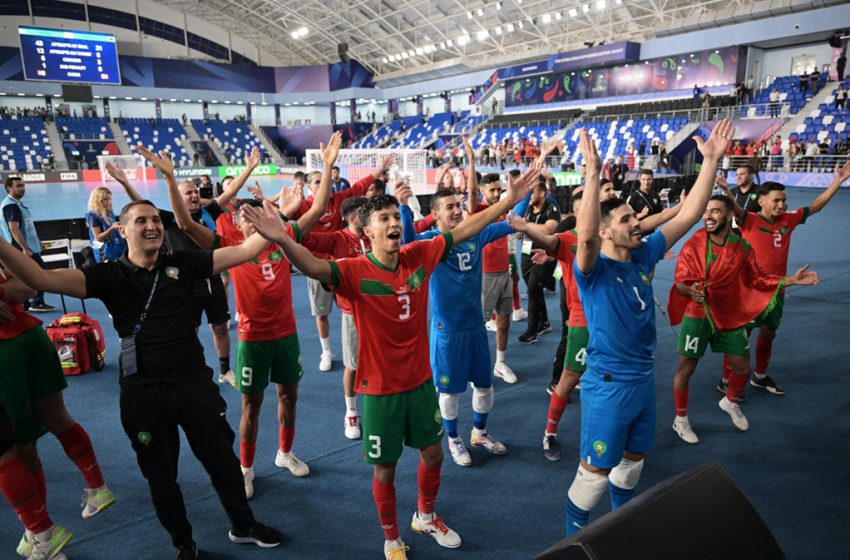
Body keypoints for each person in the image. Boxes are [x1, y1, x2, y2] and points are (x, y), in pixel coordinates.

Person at [240, 165, 541, 560]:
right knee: (386, 469)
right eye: (383, 218)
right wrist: (281, 238)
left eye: (395, 216)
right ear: (368, 233)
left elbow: (468, 229)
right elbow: (314, 267)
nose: (393, 222)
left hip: (420, 383)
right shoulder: (354, 271)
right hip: (380, 391)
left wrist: (507, 201)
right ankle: (391, 538)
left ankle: (426, 516)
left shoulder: (420, 254)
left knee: (433, 455)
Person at [0, 151, 284, 559]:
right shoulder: (107, 276)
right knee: (161, 475)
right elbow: (40, 278)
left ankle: (243, 524)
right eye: (141, 221)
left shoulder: (184, 263)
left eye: (155, 220)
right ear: (125, 230)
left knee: (222, 462)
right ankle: (183, 542)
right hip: (142, 392)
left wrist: (276, 230)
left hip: (192, 384)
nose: (151, 225)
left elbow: (238, 254)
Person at [564, 120, 733, 535]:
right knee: (592, 482)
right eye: (625, 220)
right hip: (608, 387)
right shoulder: (592, 270)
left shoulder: (644, 254)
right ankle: (571, 544)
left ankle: (622, 534)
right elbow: (584, 240)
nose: (636, 223)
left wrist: (710, 160)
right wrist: (592, 174)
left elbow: (691, 212)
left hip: (642, 383)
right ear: (606, 231)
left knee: (631, 469)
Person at [167, 132, 340, 499]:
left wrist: (325, 167)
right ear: (237, 227)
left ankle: (285, 453)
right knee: (251, 405)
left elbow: (318, 209)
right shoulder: (228, 250)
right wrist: (170, 179)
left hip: (286, 336)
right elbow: (185, 226)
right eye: (247, 217)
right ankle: (245, 468)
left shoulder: (283, 240)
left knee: (289, 398)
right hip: (251, 339)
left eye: (258, 213)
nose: (255, 219)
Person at [511, 182, 683, 461]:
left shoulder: (620, 240)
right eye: (601, 195)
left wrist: (679, 209)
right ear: (582, 212)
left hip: (610, 323)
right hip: (582, 320)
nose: (607, 196)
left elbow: (648, 224)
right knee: (568, 378)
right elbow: (551, 240)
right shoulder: (574, 239)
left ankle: (622, 446)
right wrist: (529, 230)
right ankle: (550, 433)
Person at [667, 194, 819, 444]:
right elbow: (681, 281)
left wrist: (790, 280)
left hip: (730, 314)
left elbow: (758, 279)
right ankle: (680, 419)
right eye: (706, 212)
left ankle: (730, 401)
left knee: (742, 368)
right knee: (686, 368)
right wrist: (690, 290)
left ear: (728, 216)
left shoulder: (741, 247)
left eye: (715, 211)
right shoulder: (694, 244)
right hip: (699, 314)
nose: (708, 216)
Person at [108, 148, 260, 388]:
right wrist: (126, 182)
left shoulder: (208, 212)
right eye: (188, 193)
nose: (193, 196)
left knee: (220, 326)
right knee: (190, 329)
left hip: (213, 278)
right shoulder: (168, 220)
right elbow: (140, 202)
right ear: (177, 197)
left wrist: (249, 167)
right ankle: (189, 368)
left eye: (195, 192)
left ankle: (224, 370)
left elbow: (231, 191)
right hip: (187, 283)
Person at [0, 268, 114, 559]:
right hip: (30, 336)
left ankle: (41, 532)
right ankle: (93, 488)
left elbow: (25, 286)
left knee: (5, 450)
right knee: (30, 439)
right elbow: (26, 285)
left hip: (6, 349)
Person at [716, 160, 850, 395]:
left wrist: (837, 181)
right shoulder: (750, 220)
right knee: (741, 335)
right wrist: (727, 191)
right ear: (762, 201)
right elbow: (735, 208)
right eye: (776, 200)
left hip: (778, 289)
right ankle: (726, 379)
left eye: (784, 200)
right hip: (749, 290)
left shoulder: (788, 220)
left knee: (769, 332)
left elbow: (816, 206)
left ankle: (759, 376)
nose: (782, 204)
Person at [290, 157, 395, 372]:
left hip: (345, 264)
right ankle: (326, 350)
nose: (322, 184)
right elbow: (292, 229)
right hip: (318, 266)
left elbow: (360, 186)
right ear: (309, 187)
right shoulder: (303, 207)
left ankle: (368, 348)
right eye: (317, 182)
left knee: (356, 310)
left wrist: (378, 170)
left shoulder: (339, 199)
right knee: (322, 313)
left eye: (324, 180)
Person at [0, 177, 55, 312]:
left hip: (29, 247)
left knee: (30, 274)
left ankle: (26, 304)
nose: (22, 188)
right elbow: (13, 229)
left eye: (23, 185)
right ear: (9, 188)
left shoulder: (17, 204)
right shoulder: (11, 206)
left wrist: (37, 242)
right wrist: (25, 248)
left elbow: (27, 227)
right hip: (22, 249)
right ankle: (36, 302)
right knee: (40, 273)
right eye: (18, 186)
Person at [518, 178, 560, 344]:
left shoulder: (552, 207)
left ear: (542, 193)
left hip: (544, 254)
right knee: (534, 289)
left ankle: (531, 331)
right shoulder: (528, 208)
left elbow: (549, 228)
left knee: (532, 288)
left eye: (532, 192)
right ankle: (544, 322)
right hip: (526, 250)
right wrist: (524, 227)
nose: (529, 196)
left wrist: (525, 225)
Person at [86, 187, 127, 262]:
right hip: (104, 252)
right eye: (105, 199)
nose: (108, 202)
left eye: (109, 199)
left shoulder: (109, 212)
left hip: (116, 248)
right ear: (98, 200)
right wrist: (112, 228)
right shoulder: (92, 215)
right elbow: (98, 238)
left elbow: (113, 228)